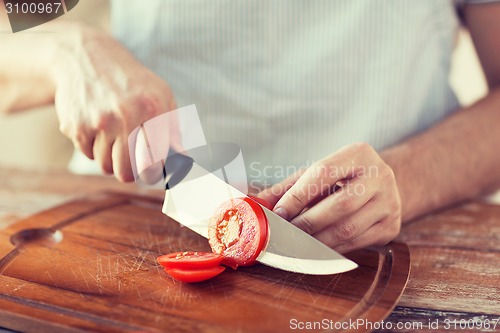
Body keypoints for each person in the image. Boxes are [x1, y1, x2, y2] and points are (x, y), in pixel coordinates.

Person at [1, 0, 499, 254]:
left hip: (383, 244)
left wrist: (405, 179)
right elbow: (14, 33)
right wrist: (63, 53)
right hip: (131, 214)